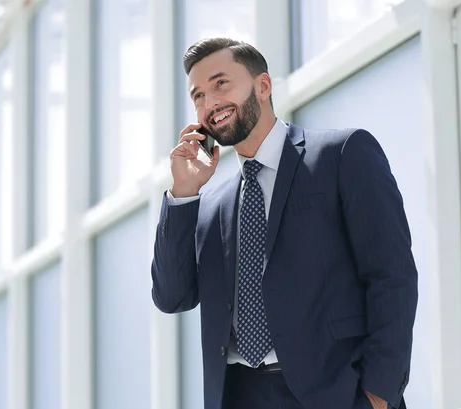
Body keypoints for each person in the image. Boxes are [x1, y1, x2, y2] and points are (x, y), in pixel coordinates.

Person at [150, 37, 418, 409]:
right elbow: (172, 296)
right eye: (198, 96)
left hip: (337, 393)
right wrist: (183, 193)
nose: (209, 103)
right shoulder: (210, 207)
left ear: (263, 86)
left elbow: (392, 277)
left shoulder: (341, 155)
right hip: (241, 394)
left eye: (221, 83)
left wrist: (378, 394)